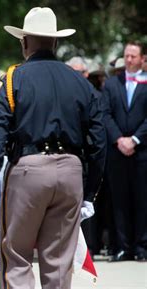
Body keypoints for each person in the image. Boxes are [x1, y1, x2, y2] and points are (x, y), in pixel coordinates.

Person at [0, 7, 106, 289]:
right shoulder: (80, 82)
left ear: (24, 42)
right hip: (71, 172)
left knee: (17, 256)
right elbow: (98, 139)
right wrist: (91, 191)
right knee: (58, 263)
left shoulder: (13, 78)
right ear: (55, 42)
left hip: (29, 171)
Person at [102, 41, 147, 262]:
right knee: (119, 201)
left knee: (142, 199)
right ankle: (122, 246)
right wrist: (119, 139)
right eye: (126, 55)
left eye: (133, 56)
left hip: (142, 152)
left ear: (142, 59)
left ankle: (141, 246)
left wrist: (136, 139)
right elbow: (105, 114)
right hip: (117, 151)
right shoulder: (111, 84)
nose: (128, 60)